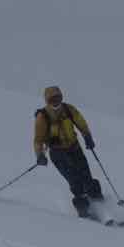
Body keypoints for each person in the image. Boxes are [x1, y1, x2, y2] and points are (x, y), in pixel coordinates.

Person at [32, 85, 104, 218]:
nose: (56, 102)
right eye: (52, 99)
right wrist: (40, 155)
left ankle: (101, 207)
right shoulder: (43, 116)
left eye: (58, 98)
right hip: (58, 153)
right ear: (47, 101)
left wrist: (87, 136)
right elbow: (38, 140)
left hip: (74, 148)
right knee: (75, 180)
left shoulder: (68, 109)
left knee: (87, 177)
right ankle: (84, 210)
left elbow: (81, 123)